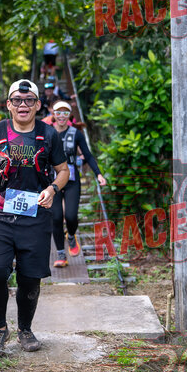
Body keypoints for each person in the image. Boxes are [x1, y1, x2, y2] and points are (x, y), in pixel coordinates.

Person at [0, 79, 69, 354]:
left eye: (29, 100)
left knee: (29, 277)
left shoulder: (49, 134)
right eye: (17, 100)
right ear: (9, 104)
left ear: (38, 105)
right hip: (1, 213)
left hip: (35, 215)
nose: (22, 105)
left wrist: (52, 189)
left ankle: (25, 330)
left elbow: (63, 170)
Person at [48, 101, 107, 267]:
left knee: (71, 216)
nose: (61, 116)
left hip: (72, 180)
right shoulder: (47, 132)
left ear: (69, 116)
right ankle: (61, 254)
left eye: (65, 113)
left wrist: (98, 174)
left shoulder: (76, 134)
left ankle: (71, 235)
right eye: (58, 113)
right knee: (56, 217)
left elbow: (87, 155)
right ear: (53, 114)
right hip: (53, 182)